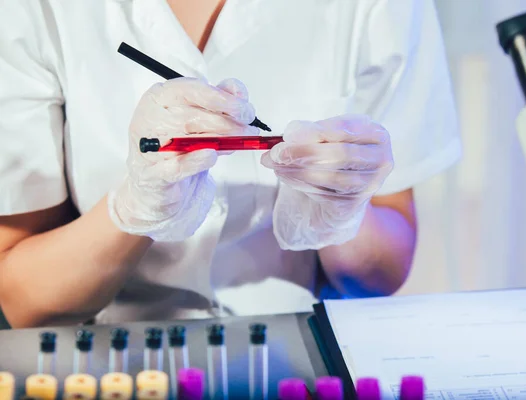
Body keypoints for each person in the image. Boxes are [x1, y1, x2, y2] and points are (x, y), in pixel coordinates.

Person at [0, 0, 461, 328]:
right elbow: (24, 300)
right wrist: (136, 207)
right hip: (105, 351)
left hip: (296, 344)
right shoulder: (35, 9)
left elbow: (384, 274)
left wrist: (339, 214)